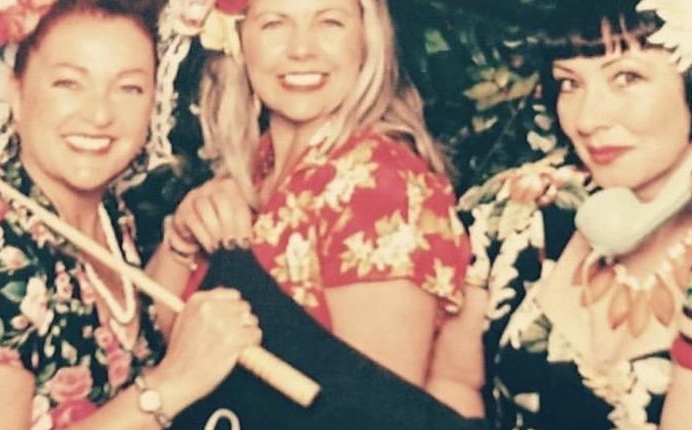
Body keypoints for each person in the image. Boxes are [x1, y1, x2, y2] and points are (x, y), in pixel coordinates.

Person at [154, 0, 486, 417]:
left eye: (329, 22)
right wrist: (182, 241)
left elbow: (372, 417)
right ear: (239, 40)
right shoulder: (257, 168)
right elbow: (166, 349)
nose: (301, 49)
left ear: (367, 40)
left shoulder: (378, 187)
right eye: (275, 23)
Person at [0, 0, 262, 428]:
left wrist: (178, 246)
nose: (100, 115)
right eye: (69, 83)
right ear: (18, 92)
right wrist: (171, 384)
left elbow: (119, 344)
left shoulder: (103, 209)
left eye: (129, 88)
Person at [457, 0, 692, 429]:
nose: (588, 119)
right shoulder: (522, 209)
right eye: (569, 84)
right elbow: (451, 384)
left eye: (627, 77)